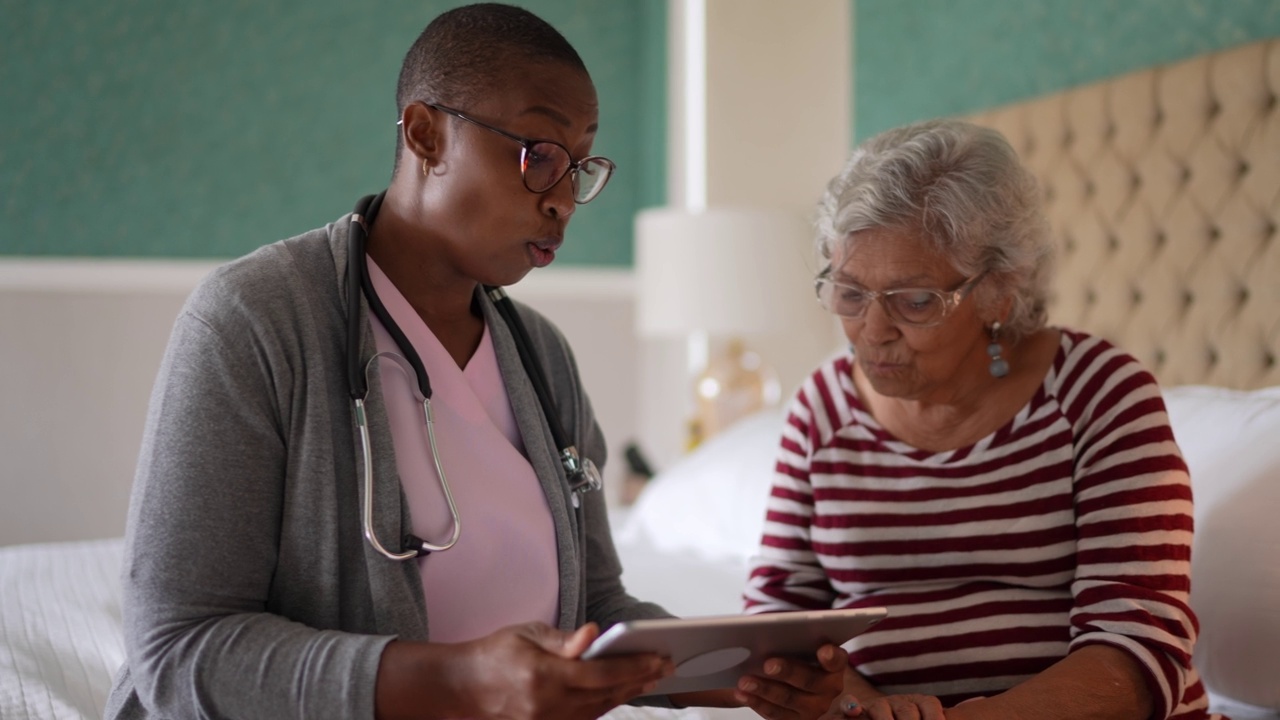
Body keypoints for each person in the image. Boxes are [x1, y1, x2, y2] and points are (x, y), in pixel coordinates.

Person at [104, 5, 848, 720]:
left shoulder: (542, 359)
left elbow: (595, 613)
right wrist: (460, 683)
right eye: (540, 154)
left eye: (580, 167)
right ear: (426, 135)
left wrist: (743, 678)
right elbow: (178, 650)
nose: (564, 200)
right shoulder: (254, 320)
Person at [743, 119, 1227, 720]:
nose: (872, 330)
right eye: (849, 293)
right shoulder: (822, 407)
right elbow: (776, 623)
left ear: (1000, 289)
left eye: (914, 301)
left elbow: (1138, 648)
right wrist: (864, 713)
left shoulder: (1099, 393)